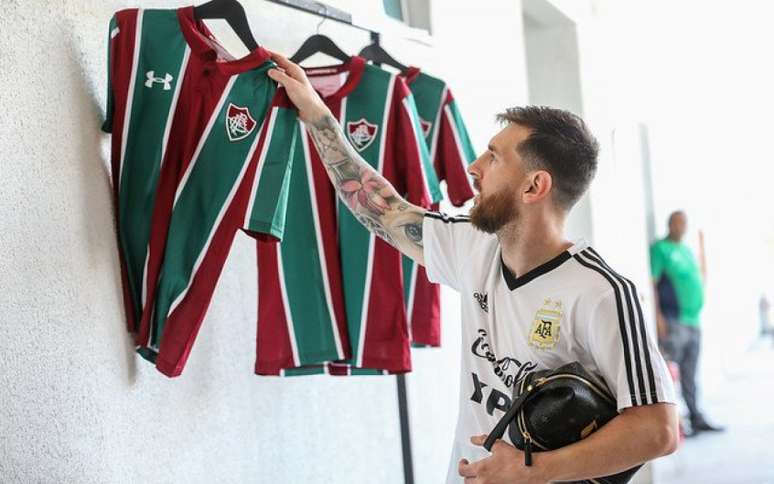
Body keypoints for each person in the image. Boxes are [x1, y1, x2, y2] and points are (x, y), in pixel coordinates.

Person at [267, 52, 678, 483]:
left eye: (494, 158)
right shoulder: (473, 246)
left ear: (534, 186)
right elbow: (382, 208)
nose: (473, 168)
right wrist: (316, 113)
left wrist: (530, 471)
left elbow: (657, 429)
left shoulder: (601, 291)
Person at [651, 211, 723, 435]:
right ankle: (676, 423)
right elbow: (652, 285)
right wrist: (659, 318)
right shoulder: (660, 249)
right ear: (669, 224)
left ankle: (695, 416)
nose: (681, 227)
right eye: (677, 222)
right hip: (673, 321)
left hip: (693, 320)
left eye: (684, 223)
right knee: (671, 374)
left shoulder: (686, 250)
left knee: (691, 372)